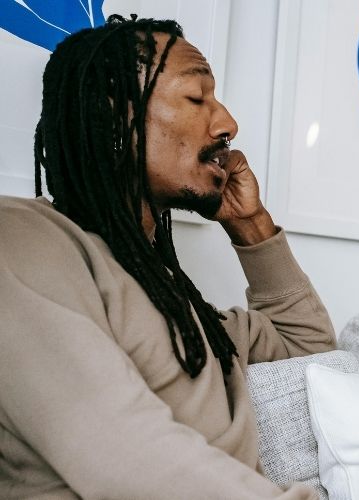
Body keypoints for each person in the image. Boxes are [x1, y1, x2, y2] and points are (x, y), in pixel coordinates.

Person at [0, 16, 335, 499]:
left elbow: (313, 363)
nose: (226, 124)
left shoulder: (190, 313)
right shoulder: (24, 243)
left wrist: (251, 225)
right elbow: (122, 453)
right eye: (197, 98)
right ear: (114, 115)